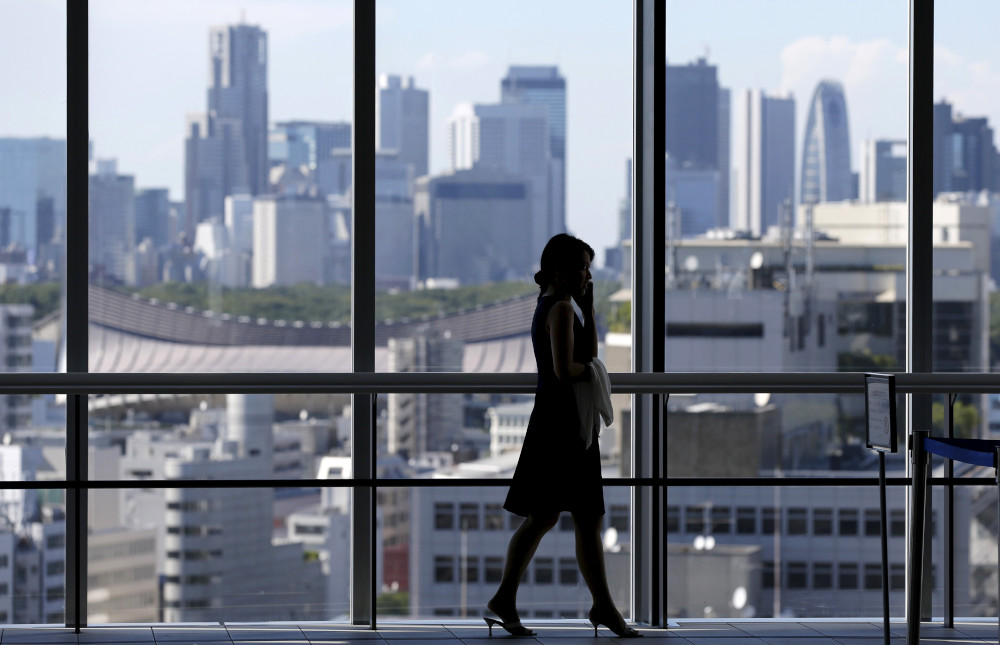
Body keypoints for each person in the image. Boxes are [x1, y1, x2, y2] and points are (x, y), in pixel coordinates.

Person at [484, 234, 641, 638]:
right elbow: (566, 368)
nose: (587, 274)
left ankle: (596, 605)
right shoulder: (559, 309)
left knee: (558, 517)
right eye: (582, 267)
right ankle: (594, 606)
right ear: (560, 271)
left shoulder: (556, 306)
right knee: (570, 517)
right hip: (563, 427)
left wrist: (588, 309)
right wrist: (592, 373)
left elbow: (584, 354)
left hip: (557, 423)